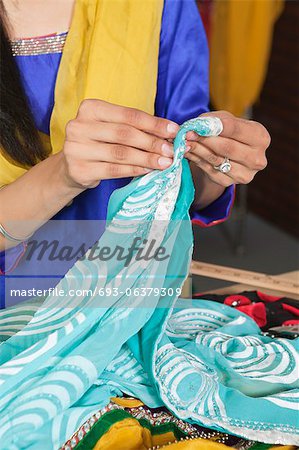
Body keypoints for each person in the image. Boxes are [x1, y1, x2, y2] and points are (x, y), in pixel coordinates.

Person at [2, 2, 294, 450]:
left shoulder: (157, 6)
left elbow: (188, 185)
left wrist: (215, 165)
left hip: (131, 313)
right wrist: (61, 174)